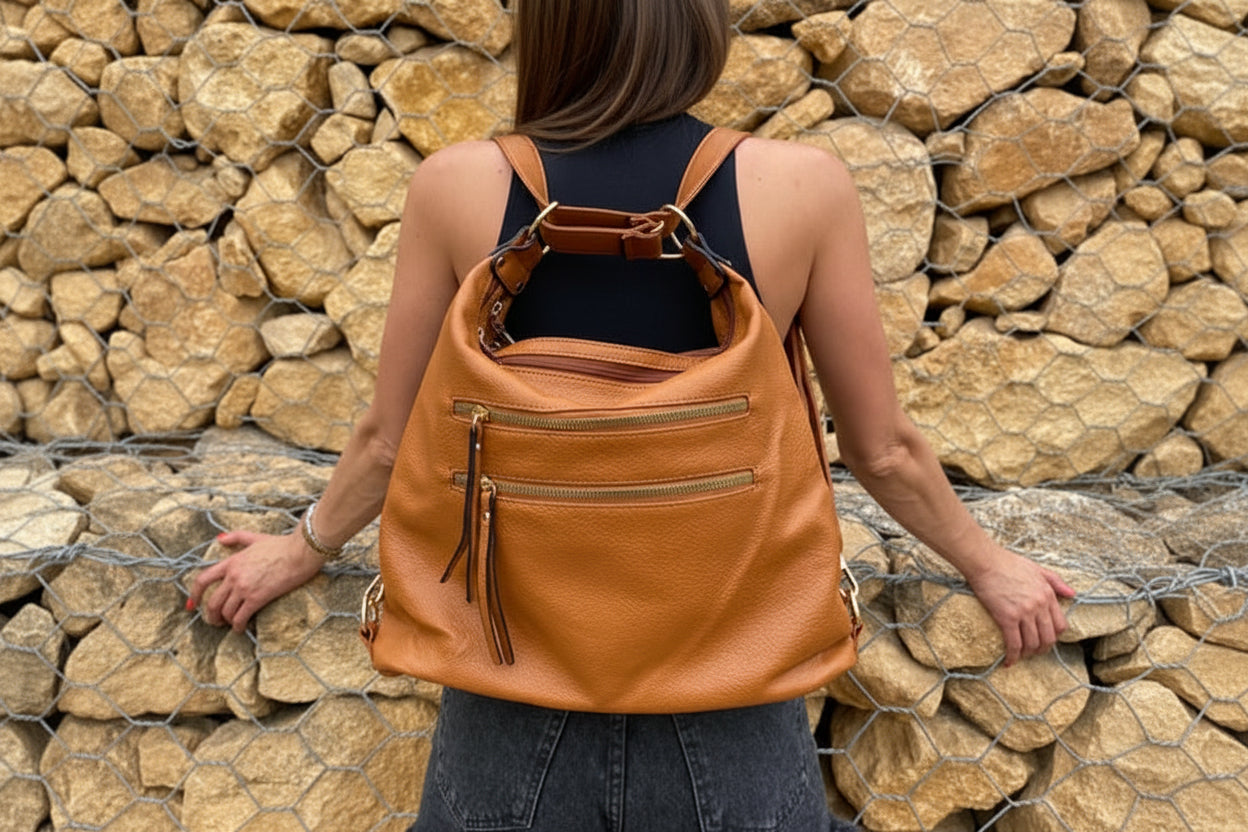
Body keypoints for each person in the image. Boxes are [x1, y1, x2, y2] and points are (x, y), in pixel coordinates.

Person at [189, 1, 1076, 829]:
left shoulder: (458, 185)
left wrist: (299, 549)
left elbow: (390, 438)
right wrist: (989, 565)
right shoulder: (800, 187)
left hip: (507, 692)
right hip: (733, 697)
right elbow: (880, 450)